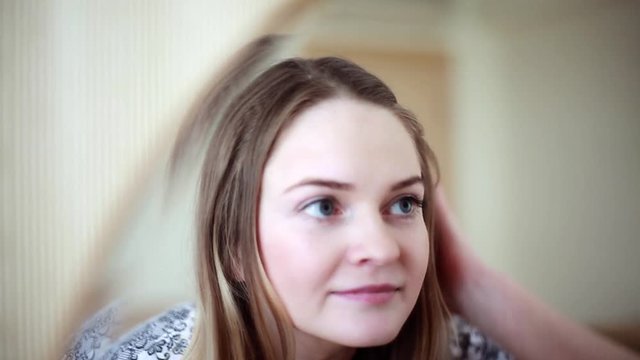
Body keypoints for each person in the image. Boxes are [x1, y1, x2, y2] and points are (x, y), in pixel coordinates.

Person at [64, 36, 637, 360]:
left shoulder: (460, 349)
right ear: (235, 246)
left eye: (404, 204)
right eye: (324, 205)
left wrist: (474, 286)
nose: (381, 248)